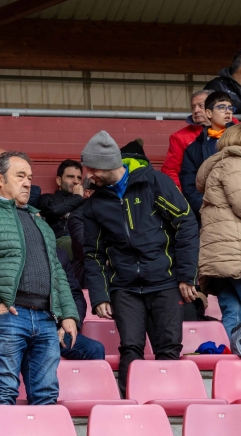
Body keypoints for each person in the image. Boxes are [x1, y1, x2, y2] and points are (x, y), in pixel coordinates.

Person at [0, 151, 79, 434]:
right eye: (20, 176)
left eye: (30, 177)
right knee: (4, 392)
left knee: (46, 396)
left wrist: (68, 313)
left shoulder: (40, 222)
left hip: (46, 320)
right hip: (8, 316)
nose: (27, 183)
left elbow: (56, 271)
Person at [80, 131, 199, 396]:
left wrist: (186, 275)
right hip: (125, 287)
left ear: (105, 164)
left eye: (90, 169)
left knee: (168, 347)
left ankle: (167, 403)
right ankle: (130, 407)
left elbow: (186, 224)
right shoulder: (95, 203)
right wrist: (100, 296)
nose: (88, 176)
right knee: (130, 347)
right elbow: (93, 254)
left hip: (165, 282)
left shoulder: (154, 182)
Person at [196, 125, 241, 338]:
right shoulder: (238, 162)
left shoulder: (219, 164)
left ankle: (235, 361)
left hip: (219, 252)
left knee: (233, 309)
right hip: (235, 249)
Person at [180, 91, 241, 220]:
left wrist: (240, 177)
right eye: (221, 108)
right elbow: (189, 188)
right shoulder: (194, 149)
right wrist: (209, 209)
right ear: (208, 113)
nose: (228, 112)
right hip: (213, 217)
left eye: (230, 108)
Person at [56, 247, 105, 360]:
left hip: (57, 330)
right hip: (21, 328)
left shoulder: (59, 254)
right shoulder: (13, 251)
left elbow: (76, 295)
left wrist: (71, 321)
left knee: (95, 349)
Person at [161, 90, 212, 187]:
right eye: (193, 107)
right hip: (194, 193)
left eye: (201, 106)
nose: (196, 110)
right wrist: (183, 196)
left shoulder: (233, 129)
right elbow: (170, 171)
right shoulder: (179, 137)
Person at [38, 159, 85, 260]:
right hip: (62, 239)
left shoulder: (85, 203)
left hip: (84, 238)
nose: (76, 181)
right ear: (59, 180)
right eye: (70, 176)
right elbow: (54, 210)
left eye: (79, 178)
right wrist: (77, 197)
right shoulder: (48, 198)